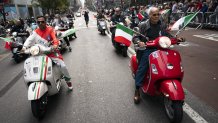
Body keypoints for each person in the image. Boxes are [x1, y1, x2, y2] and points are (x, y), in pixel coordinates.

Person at [133, 7, 183, 103]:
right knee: (142, 67)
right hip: (148, 49)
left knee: (172, 62)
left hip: (162, 48)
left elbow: (167, 35)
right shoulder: (143, 25)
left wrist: (177, 39)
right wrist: (139, 42)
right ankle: (137, 89)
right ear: (149, 15)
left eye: (158, 14)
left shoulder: (162, 25)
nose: (156, 16)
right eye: (154, 14)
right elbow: (135, 36)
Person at [22, 16, 73, 91]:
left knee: (62, 66)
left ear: (45, 22)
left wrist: (55, 45)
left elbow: (55, 38)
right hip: (40, 53)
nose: (40, 23)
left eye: (42, 22)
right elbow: (29, 40)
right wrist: (24, 47)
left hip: (52, 52)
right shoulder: (35, 32)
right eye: (38, 22)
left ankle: (68, 81)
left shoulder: (50, 29)